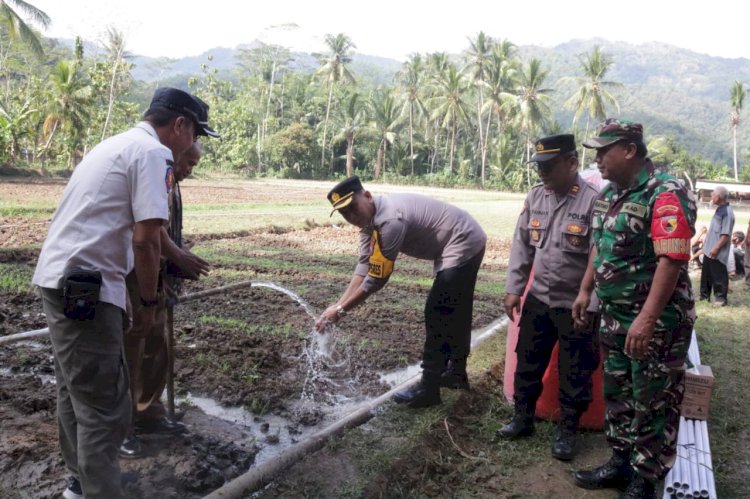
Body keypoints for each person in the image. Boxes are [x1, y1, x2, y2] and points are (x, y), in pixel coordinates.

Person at [31, 87, 218, 499]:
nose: (194, 144)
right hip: (85, 285)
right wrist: (149, 301)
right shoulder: (154, 154)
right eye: (195, 134)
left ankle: (80, 484)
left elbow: (137, 229)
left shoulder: (116, 144)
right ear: (180, 125)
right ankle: (99, 491)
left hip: (63, 279)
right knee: (105, 408)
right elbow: (146, 239)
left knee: (75, 392)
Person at [571, 119, 696, 499]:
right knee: (620, 391)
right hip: (614, 316)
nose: (598, 160)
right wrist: (585, 289)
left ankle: (645, 479)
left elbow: (671, 260)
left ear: (629, 150)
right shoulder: (610, 195)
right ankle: (620, 462)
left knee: (653, 398)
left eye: (603, 151)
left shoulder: (666, 192)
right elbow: (599, 245)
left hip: (656, 323)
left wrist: (646, 319)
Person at [314, 176, 486, 408]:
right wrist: (337, 305)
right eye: (344, 214)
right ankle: (456, 373)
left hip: (463, 239)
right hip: (459, 240)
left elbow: (376, 279)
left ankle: (429, 388)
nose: (351, 216)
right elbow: (364, 265)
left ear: (367, 196)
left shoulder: (389, 221)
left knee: (438, 311)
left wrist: (342, 310)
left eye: (352, 207)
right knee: (456, 309)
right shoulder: (368, 224)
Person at [496, 134, 600, 462]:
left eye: (549, 166)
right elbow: (522, 245)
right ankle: (522, 419)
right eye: (539, 166)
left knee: (575, 369)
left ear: (572, 162)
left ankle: (568, 431)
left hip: (576, 305)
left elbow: (602, 258)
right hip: (539, 298)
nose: (542, 173)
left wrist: (592, 302)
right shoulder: (535, 196)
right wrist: (514, 289)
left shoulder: (594, 201)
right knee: (528, 360)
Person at [120, 141, 211, 458]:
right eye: (189, 161)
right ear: (177, 149)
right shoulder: (154, 169)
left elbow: (166, 229)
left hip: (159, 272)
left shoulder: (172, 180)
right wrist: (178, 257)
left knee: (158, 345)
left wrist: (172, 266)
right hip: (138, 272)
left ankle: (148, 412)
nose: (190, 169)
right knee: (133, 346)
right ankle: (122, 427)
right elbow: (147, 230)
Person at [699, 186, 734, 306]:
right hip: (709, 249)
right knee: (706, 274)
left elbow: (726, 234)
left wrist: (716, 248)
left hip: (717, 250)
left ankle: (720, 299)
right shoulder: (720, 209)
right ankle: (704, 296)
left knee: (719, 274)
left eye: (713, 194)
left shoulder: (727, 212)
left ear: (718, 197)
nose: (711, 197)